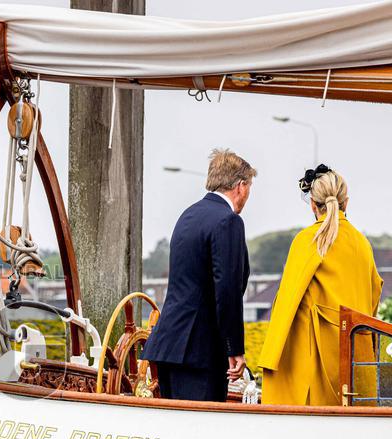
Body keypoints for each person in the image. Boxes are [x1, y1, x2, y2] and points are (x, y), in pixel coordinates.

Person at [260, 166, 383, 406]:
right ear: (346, 202)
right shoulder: (362, 243)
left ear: (312, 205)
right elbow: (373, 297)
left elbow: (286, 304)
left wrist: (270, 358)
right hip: (355, 362)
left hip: (316, 365)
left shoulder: (308, 240)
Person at [142, 149, 253, 401]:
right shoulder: (228, 221)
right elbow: (227, 290)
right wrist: (234, 348)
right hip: (200, 351)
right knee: (202, 424)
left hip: (169, 345)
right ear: (241, 186)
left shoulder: (188, 215)